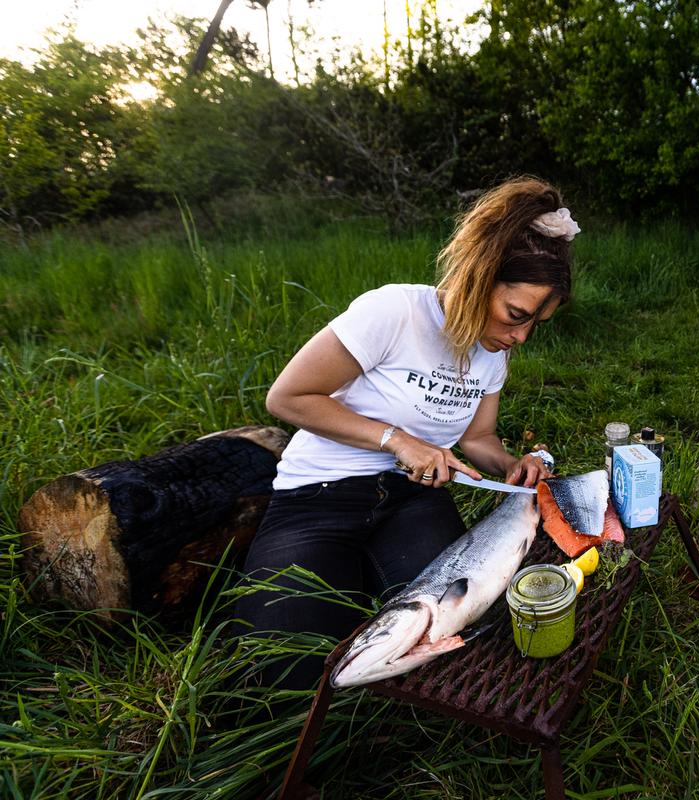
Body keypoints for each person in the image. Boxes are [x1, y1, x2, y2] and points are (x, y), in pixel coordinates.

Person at [235, 177, 579, 690]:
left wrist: (508, 466)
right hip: (318, 493)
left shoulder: (493, 353)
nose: (520, 337)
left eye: (535, 325)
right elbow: (287, 398)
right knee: (284, 662)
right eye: (516, 316)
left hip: (414, 497)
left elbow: (478, 438)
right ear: (479, 278)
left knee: (455, 629)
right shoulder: (395, 312)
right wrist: (397, 440)